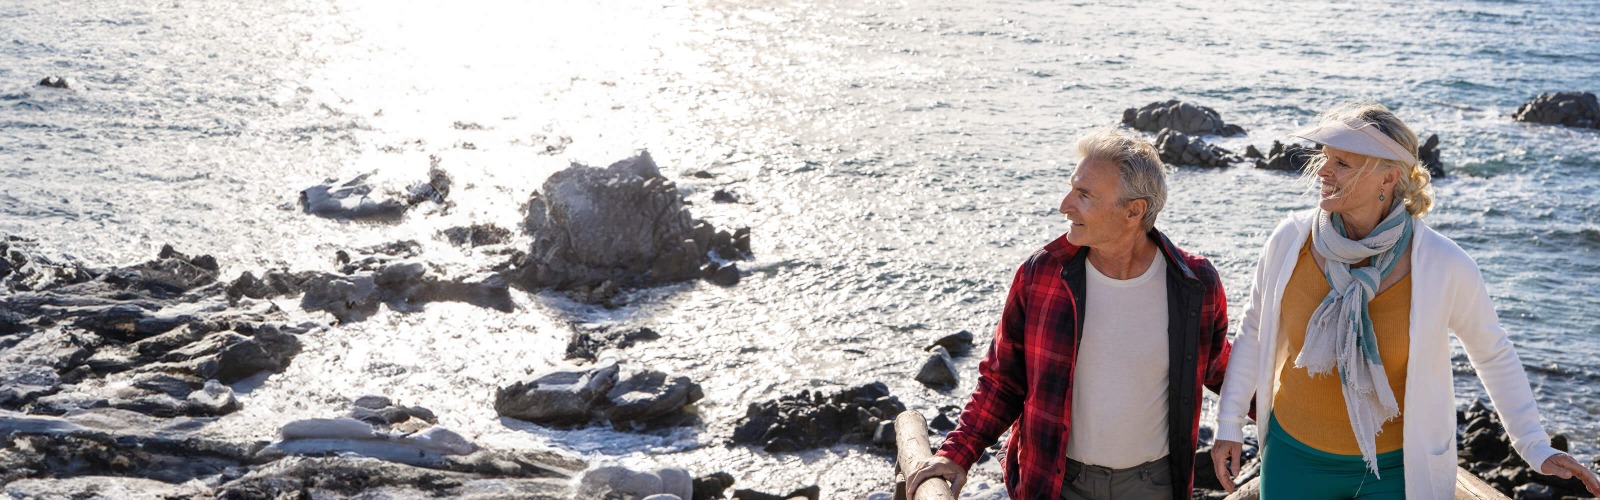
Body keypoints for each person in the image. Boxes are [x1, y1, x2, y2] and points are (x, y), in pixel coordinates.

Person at [1210, 103, 1600, 499]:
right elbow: (1253, 331)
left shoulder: (1443, 264)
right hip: (1293, 460)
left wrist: (1534, 444)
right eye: (1325, 157)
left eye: (1342, 163)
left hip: (1396, 472)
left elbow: (1492, 352)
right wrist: (1229, 424)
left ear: (1388, 177)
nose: (1323, 171)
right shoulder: (1290, 243)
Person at [906, 128, 1232, 500]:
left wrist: (1282, 419)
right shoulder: (1042, 274)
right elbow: (1002, 380)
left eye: (1084, 195)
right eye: (1071, 188)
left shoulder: (1194, 283)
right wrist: (957, 452)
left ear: (1134, 211)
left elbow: (1221, 368)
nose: (1065, 205)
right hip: (1055, 484)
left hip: (1155, 487)